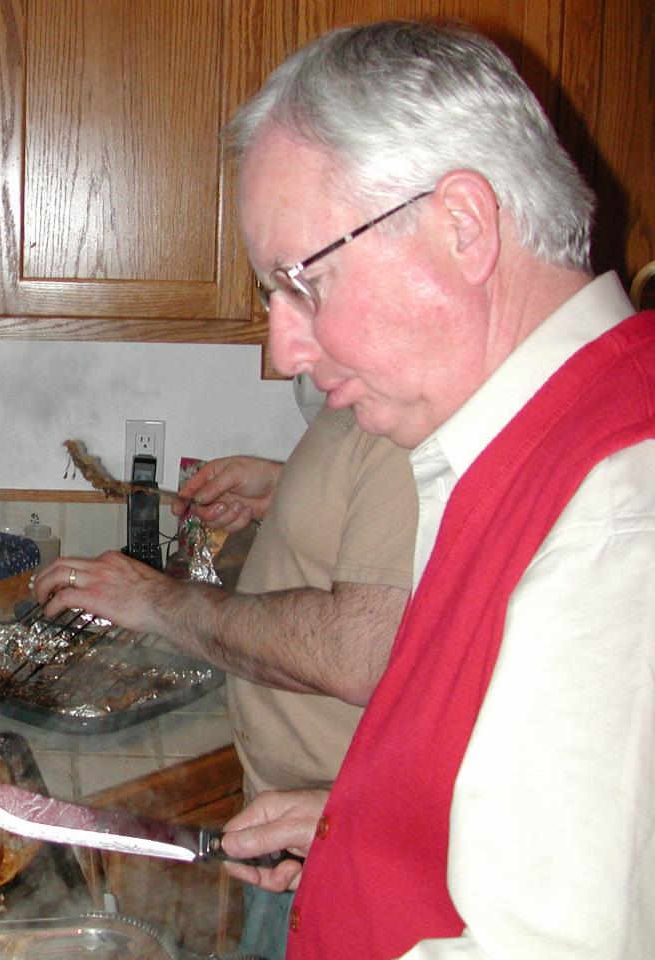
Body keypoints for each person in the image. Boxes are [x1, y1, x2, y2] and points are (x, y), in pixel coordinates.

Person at [208, 18, 655, 959]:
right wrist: (369, 826)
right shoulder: (514, 450)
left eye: (301, 282)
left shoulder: (615, 516)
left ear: (462, 225)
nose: (283, 347)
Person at [37, 388, 416, 959]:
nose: (286, 353)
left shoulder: (413, 416)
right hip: (295, 826)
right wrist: (286, 489)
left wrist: (157, 601)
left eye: (299, 296)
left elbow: (355, 654)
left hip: (347, 843)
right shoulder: (369, 395)